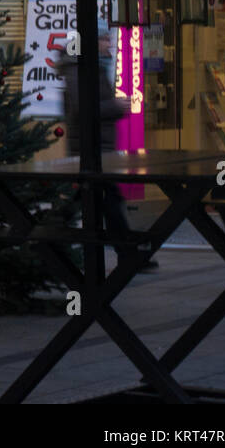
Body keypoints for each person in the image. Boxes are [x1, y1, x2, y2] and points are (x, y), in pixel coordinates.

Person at [57, 30, 150, 269]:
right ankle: (47, 241)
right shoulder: (79, 68)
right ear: (91, 40)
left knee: (102, 200)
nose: (109, 43)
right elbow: (83, 109)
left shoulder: (93, 66)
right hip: (88, 148)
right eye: (104, 39)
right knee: (104, 200)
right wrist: (117, 106)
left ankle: (48, 242)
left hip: (99, 147)